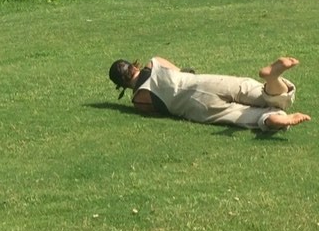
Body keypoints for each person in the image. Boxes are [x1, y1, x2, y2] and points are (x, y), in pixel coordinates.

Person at [108, 55, 311, 131]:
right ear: (132, 66)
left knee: (240, 116)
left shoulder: (139, 100)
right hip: (204, 82)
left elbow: (162, 112)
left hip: (195, 107)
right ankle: (273, 79)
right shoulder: (154, 62)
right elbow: (179, 71)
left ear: (121, 85)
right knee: (253, 90)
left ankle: (272, 118)